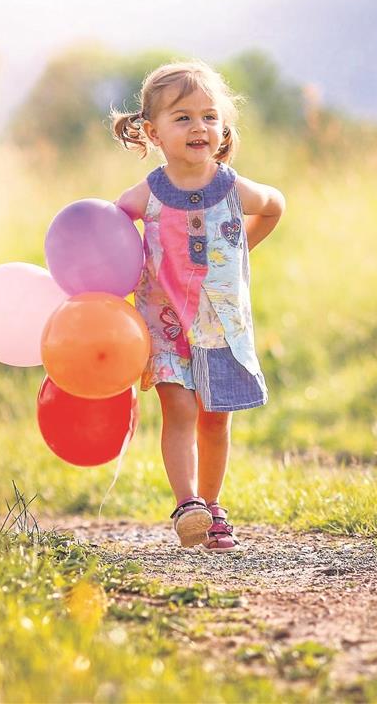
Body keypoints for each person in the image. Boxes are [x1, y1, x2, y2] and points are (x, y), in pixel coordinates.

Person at [112, 60, 285, 553]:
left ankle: (211, 508)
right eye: (182, 117)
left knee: (216, 417)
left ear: (222, 128)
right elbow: (110, 232)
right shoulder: (147, 193)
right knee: (180, 409)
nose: (198, 127)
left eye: (209, 117)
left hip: (221, 325)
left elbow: (274, 205)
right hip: (166, 325)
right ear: (154, 132)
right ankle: (188, 504)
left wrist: (240, 249)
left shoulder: (232, 187)